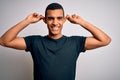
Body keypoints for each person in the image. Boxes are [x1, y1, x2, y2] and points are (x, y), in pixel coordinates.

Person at [0, 2, 111, 80]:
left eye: (59, 18)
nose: (55, 22)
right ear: (45, 20)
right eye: (50, 18)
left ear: (64, 20)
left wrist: (82, 22)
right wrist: (26, 21)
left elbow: (105, 40)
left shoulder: (75, 42)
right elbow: (4, 41)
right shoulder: (35, 42)